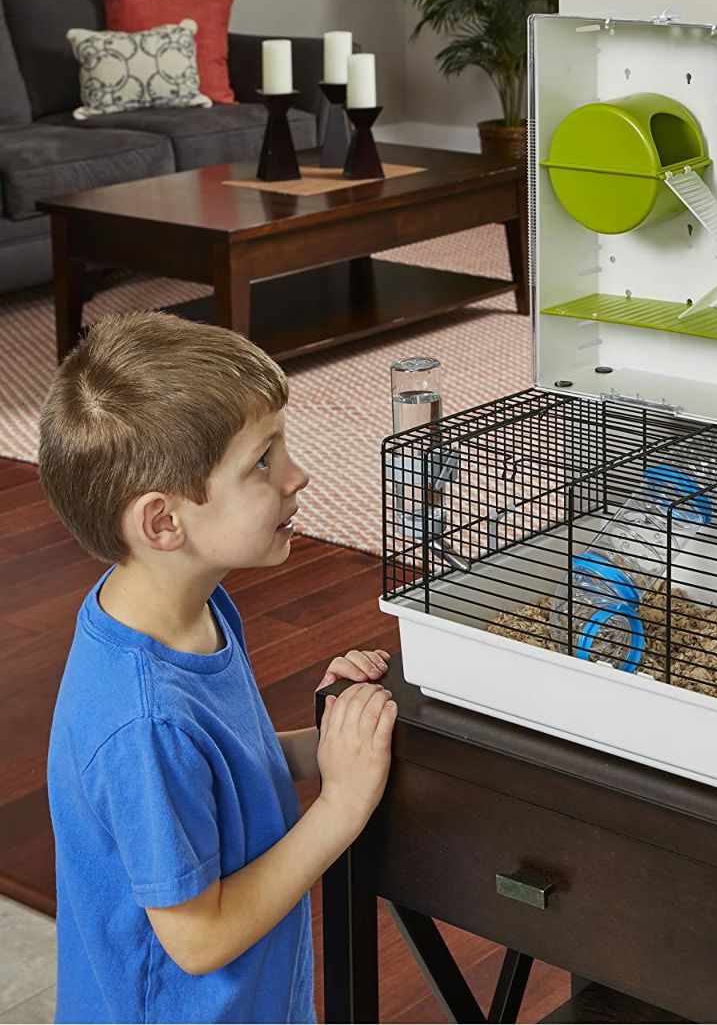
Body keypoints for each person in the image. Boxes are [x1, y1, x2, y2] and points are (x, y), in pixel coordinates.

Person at [39, 311, 397, 1023]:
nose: (296, 473)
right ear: (163, 522)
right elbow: (199, 939)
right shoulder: (144, 723)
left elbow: (224, 774)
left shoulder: (184, 609)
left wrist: (330, 739)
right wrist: (341, 805)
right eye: (262, 460)